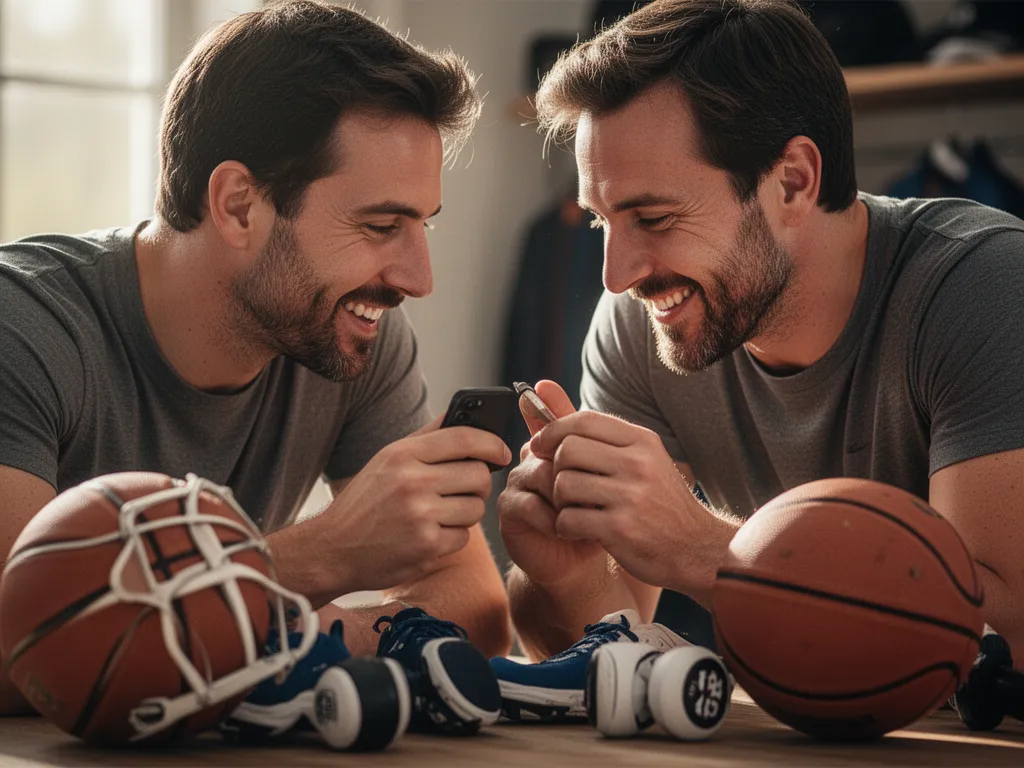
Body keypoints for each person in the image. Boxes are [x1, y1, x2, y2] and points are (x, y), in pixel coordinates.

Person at [495, 0, 1024, 703]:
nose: (616, 275)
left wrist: (708, 553)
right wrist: (558, 573)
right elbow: (603, 648)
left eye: (653, 218)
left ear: (794, 181)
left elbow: (998, 635)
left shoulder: (981, 284)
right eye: (602, 221)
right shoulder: (638, 323)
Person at [0, 0, 513, 721]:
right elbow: (25, 648)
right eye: (380, 225)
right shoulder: (22, 327)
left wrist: (290, 626)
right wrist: (319, 561)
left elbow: (478, 615)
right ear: (239, 205)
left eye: (420, 225)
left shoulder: (351, 337)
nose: (418, 278)